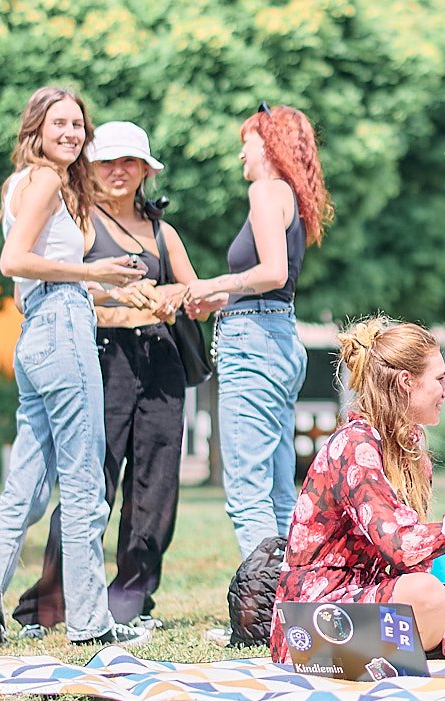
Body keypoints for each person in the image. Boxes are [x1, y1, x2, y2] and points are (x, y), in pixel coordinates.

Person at [0, 87, 151, 646]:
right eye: (59, 123)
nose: (71, 132)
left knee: (25, 490)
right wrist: (95, 275)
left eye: (78, 124)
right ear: (37, 129)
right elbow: (13, 262)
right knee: (85, 483)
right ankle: (91, 625)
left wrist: (114, 293)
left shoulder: (21, 184)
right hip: (61, 335)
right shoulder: (43, 180)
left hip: (42, 332)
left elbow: (32, 286)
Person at [270, 317, 445, 662]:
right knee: (428, 596)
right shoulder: (354, 446)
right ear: (407, 382)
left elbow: (413, 565)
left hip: (382, 604)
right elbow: (401, 545)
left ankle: (433, 651)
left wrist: (443, 615)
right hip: (313, 624)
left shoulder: (412, 451)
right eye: (440, 379)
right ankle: (426, 648)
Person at [10, 122, 199, 637]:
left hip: (162, 364)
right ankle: (48, 606)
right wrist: (124, 303)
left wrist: (178, 297)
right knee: (87, 484)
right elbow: (53, 291)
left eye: (130, 162)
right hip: (100, 357)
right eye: (107, 162)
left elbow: (193, 292)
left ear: (145, 170)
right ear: (90, 168)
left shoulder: (163, 232)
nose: (119, 172)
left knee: (155, 487)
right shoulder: (77, 223)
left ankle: (130, 601)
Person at [184, 102, 332, 560]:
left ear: (268, 142)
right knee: (278, 488)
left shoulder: (267, 192)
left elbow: (270, 272)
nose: (240, 156)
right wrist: (222, 300)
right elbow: (275, 282)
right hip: (277, 336)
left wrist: (212, 284)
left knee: (248, 491)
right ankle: (293, 600)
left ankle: (266, 608)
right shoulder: (291, 196)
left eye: (244, 143)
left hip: (253, 343)